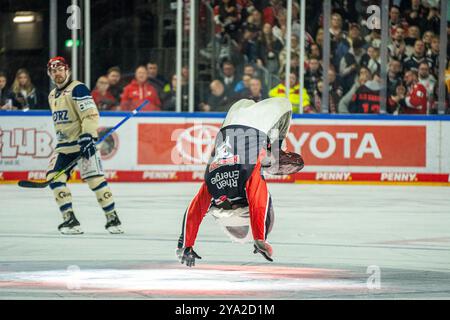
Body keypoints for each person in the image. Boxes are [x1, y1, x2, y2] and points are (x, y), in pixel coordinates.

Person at [176, 97, 304, 267]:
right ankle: (271, 153)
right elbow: (193, 212)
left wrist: (260, 239)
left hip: (254, 128)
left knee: (285, 105)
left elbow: (260, 205)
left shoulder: (247, 175)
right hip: (230, 123)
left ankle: (274, 151)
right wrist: (186, 244)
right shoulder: (212, 184)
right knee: (244, 102)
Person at [46, 56, 123, 235]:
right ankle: (69, 218)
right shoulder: (52, 95)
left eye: (60, 69)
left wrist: (88, 135)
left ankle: (112, 217)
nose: (57, 73)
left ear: (67, 70)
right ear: (49, 74)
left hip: (82, 144)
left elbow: (90, 115)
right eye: (53, 70)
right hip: (64, 147)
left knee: (95, 180)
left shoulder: (78, 89)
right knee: (54, 178)